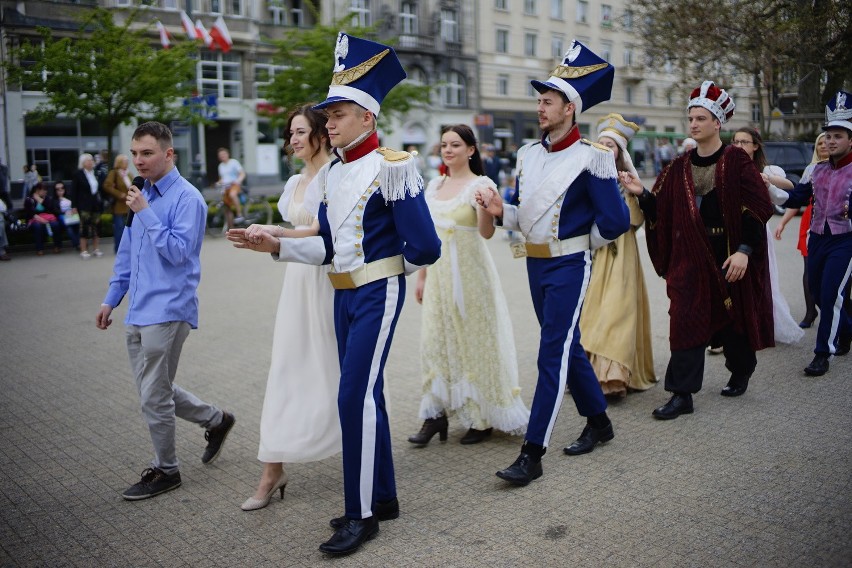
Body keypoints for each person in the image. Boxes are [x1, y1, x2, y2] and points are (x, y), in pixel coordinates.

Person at [227, 33, 441, 555]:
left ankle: (360, 514)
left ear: (366, 117)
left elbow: (428, 247)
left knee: (353, 397)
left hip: (375, 294)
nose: (328, 123)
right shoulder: (334, 173)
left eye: (338, 114)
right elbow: (324, 245)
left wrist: (387, 271)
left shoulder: (394, 166)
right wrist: (273, 246)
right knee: (368, 396)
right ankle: (382, 498)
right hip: (340, 296)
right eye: (327, 115)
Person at [475, 40, 629, 485]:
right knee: (567, 346)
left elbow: (616, 221)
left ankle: (533, 451)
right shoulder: (527, 154)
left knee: (551, 354)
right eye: (539, 100)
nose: (540, 107)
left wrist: (578, 245)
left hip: (569, 266)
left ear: (570, 109)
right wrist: (501, 211)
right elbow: (528, 216)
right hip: (535, 264)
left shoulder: (593, 158)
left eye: (548, 101)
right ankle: (600, 422)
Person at [95, 121, 235, 501]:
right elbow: (127, 254)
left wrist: (146, 213)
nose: (138, 161)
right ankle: (216, 419)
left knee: (152, 395)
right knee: (152, 388)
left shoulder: (187, 199)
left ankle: (167, 470)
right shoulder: (140, 193)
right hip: (137, 309)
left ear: (169, 154)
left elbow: (178, 253)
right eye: (135, 153)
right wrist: (112, 297)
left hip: (169, 309)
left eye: (147, 153)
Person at [623, 80, 774, 417]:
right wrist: (642, 194)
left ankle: (742, 367)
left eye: (701, 118)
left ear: (717, 124)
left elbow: (757, 208)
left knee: (732, 321)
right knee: (685, 319)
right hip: (689, 255)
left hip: (729, 252)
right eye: (691, 118)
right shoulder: (678, 167)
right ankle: (682, 394)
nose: (693, 123)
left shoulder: (737, 161)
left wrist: (745, 251)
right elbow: (663, 209)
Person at [235, 104, 342, 512]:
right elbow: (296, 234)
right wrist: (267, 237)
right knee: (286, 368)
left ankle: (364, 450)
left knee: (339, 371)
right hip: (297, 281)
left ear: (321, 132)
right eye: (290, 133)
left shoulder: (338, 174)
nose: (293, 139)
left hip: (330, 281)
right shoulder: (296, 180)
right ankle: (271, 469)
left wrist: (276, 234)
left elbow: (323, 232)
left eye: (300, 131)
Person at [410, 124, 529, 447]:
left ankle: (481, 416)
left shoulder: (482, 184)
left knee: (475, 341)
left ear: (471, 150)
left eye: (456, 145)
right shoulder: (434, 185)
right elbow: (427, 237)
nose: (448, 150)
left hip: (471, 275)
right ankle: (434, 415)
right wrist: (421, 277)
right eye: (444, 144)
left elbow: (486, 234)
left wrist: (486, 209)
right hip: (437, 276)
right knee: (435, 342)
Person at [578, 113, 656, 398]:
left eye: (610, 145)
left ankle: (615, 377)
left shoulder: (627, 183)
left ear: (620, 152)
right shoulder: (585, 181)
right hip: (593, 256)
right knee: (591, 314)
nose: (605, 149)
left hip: (621, 256)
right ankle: (588, 375)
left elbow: (635, 222)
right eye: (600, 143)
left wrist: (635, 192)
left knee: (617, 312)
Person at [776, 91, 852, 376]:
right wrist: (768, 190)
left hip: (845, 240)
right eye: (828, 136)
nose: (831, 141)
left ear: (851, 140)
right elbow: (796, 198)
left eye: (838, 136)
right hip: (817, 237)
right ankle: (846, 330)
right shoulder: (816, 170)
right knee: (818, 294)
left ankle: (822, 353)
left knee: (831, 293)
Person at [731, 127, 803, 345]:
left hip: (758, 232)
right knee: (733, 281)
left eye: (744, 142)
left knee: (762, 280)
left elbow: (791, 187)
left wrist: (767, 179)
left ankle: (761, 325)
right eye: (735, 142)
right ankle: (734, 330)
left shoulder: (766, 169)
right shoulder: (728, 167)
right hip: (733, 231)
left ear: (755, 146)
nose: (739, 146)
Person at [775, 132, 828, 328]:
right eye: (820, 143)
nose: (824, 145)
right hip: (811, 221)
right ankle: (810, 311)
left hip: (837, 224)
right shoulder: (811, 170)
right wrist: (782, 222)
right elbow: (797, 199)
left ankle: (841, 314)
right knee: (809, 269)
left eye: (827, 141)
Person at [71, 153, 104, 259]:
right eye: (88, 160)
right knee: (84, 227)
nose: (91, 162)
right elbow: (73, 191)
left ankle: (96, 249)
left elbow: (98, 188)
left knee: (96, 226)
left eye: (91, 160)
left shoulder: (95, 173)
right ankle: (83, 250)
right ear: (83, 163)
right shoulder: (78, 174)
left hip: (95, 204)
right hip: (84, 204)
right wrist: (74, 206)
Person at [23, 182, 63, 255]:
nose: (45, 192)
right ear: (37, 190)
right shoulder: (29, 200)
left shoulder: (47, 198)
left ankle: (57, 246)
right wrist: (41, 219)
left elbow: (50, 208)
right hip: (34, 219)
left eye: (46, 190)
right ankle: (39, 249)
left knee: (56, 225)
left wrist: (39, 199)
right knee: (37, 226)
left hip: (48, 218)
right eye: (43, 190)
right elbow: (31, 213)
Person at [103, 154, 133, 253]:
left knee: (130, 228)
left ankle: (129, 248)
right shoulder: (114, 173)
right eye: (125, 161)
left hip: (130, 205)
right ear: (119, 162)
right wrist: (119, 194)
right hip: (119, 206)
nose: (127, 163)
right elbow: (107, 186)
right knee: (119, 229)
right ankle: (119, 249)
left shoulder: (129, 174)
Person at [216, 147, 246, 229]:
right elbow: (222, 178)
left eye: (224, 154)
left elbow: (242, 173)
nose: (222, 156)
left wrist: (238, 180)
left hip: (234, 185)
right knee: (226, 206)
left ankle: (239, 215)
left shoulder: (234, 162)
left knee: (232, 195)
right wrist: (218, 182)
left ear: (227, 154)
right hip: (226, 187)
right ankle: (231, 227)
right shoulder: (220, 166)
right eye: (220, 155)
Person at [54, 181, 80, 252]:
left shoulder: (69, 197)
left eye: (62, 188)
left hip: (73, 216)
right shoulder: (55, 200)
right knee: (69, 228)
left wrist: (73, 210)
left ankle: (79, 243)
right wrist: (65, 212)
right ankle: (77, 244)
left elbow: (75, 205)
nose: (60, 191)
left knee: (77, 225)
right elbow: (56, 211)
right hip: (64, 218)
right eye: (58, 189)